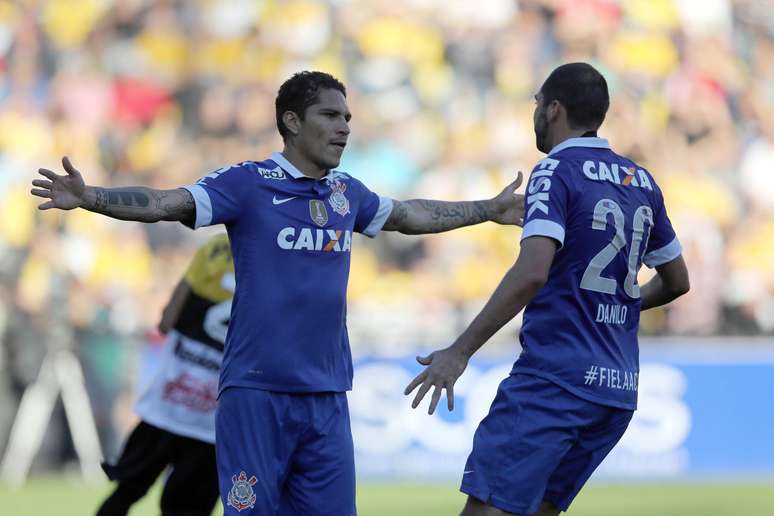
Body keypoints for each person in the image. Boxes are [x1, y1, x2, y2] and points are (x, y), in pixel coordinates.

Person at [31, 71, 525, 515]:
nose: (345, 127)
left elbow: (408, 215)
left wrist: (487, 209)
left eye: (348, 117)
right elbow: (166, 203)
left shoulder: (346, 193)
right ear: (291, 121)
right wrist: (90, 197)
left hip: (328, 393)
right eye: (330, 115)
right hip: (257, 393)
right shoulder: (247, 183)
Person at [405, 62, 690, 516]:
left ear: (554, 109)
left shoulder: (555, 169)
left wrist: (459, 351)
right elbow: (678, 281)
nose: (534, 112)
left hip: (555, 381)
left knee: (487, 510)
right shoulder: (641, 181)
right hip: (616, 390)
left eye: (536, 103)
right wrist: (621, 304)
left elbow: (532, 271)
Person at [97, 233, 233, 516]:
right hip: (213, 423)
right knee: (186, 509)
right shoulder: (275, 258)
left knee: (125, 492)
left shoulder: (215, 247)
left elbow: (166, 322)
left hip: (167, 407)